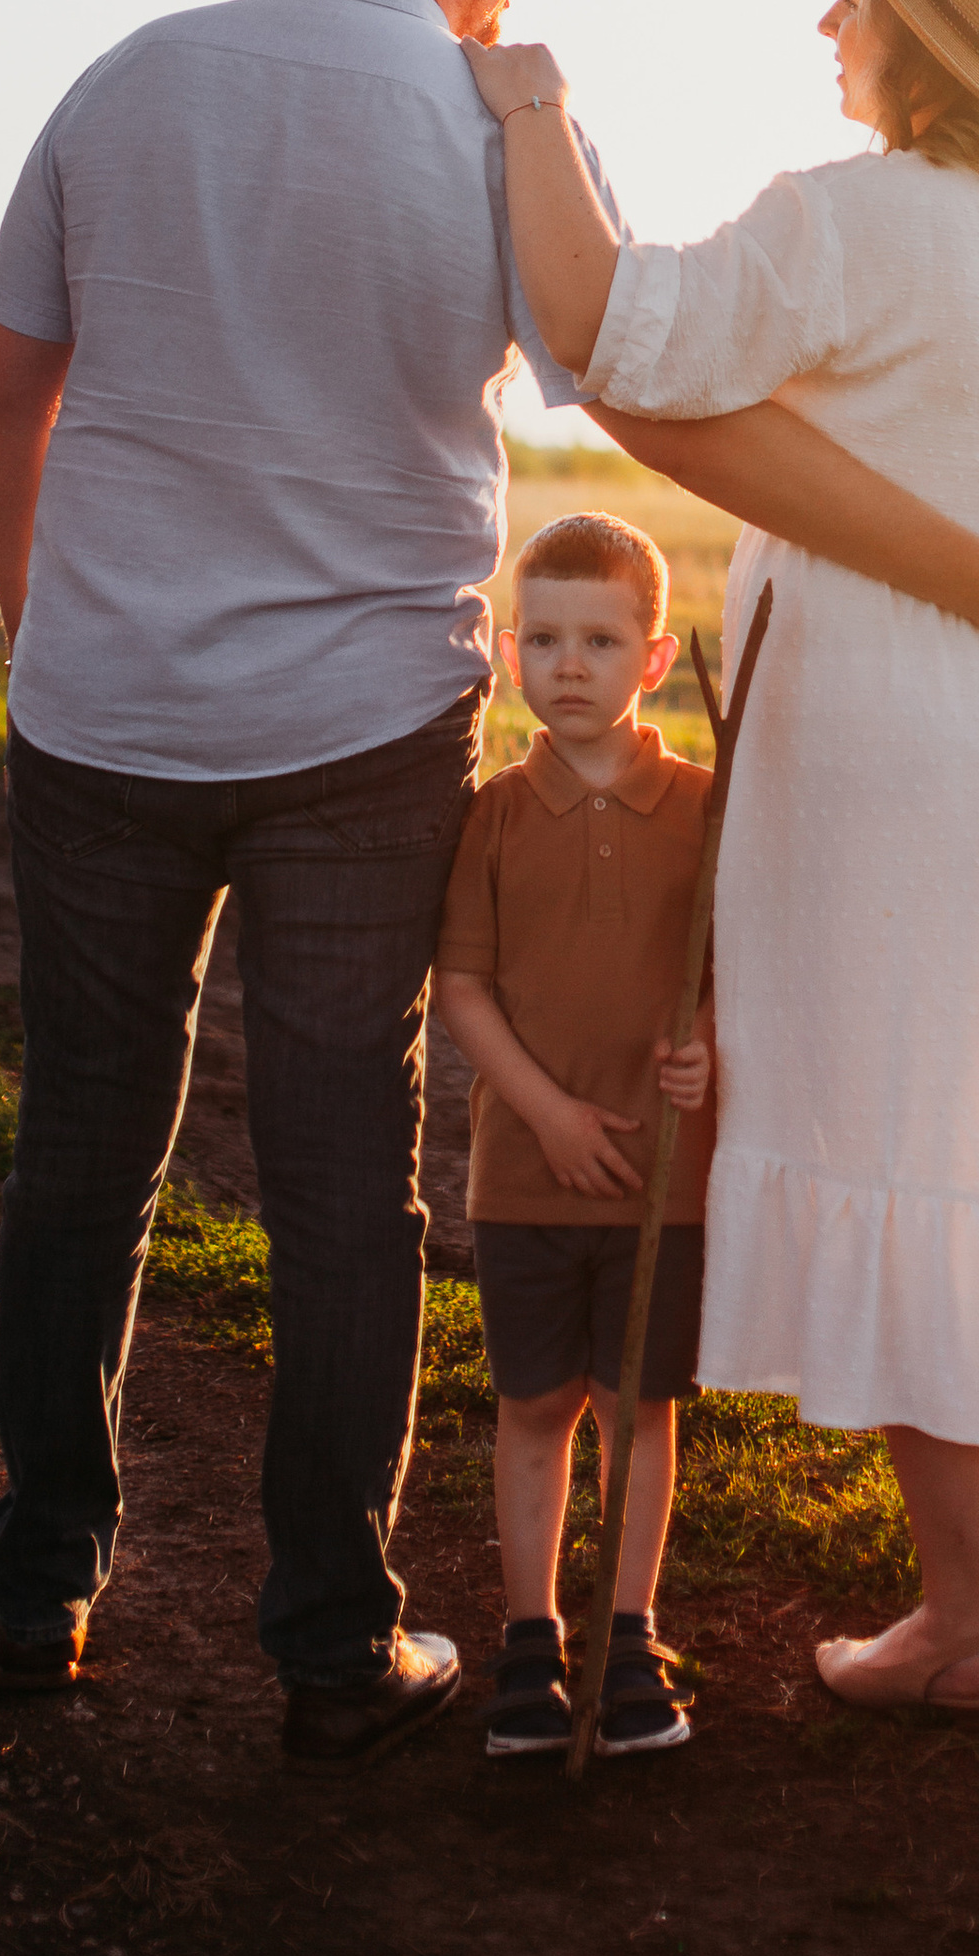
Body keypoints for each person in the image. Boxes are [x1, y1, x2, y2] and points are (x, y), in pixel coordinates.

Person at [0, 0, 979, 1763]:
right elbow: (648, 402)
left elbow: (7, 390)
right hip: (355, 734)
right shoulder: (494, 121)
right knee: (335, 1165)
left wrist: (39, 628)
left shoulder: (121, 79)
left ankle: (38, 1576)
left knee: (83, 1136)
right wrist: (947, 558)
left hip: (100, 719)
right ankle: (332, 1634)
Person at [468, 0, 979, 1722]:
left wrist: (529, 99)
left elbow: (602, 322)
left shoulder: (850, 222)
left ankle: (961, 1626)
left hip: (886, 736)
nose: (827, 24)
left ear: (916, 43)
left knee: (901, 1137)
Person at [433, 510, 712, 1759]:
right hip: (525, 1173)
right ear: (505, 650)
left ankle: (631, 1636)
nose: (570, 665)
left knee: (638, 1404)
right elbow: (465, 989)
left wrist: (719, 1043)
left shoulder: (707, 809)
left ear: (654, 658)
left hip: (665, 1180)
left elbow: (737, 972)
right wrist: (543, 1112)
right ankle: (531, 1642)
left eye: (600, 640)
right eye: (542, 638)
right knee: (538, 1401)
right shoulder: (492, 815)